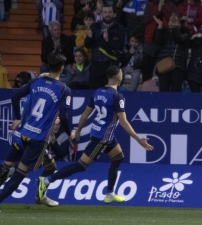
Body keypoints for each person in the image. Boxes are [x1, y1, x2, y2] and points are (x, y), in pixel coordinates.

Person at [38, 65, 154, 204]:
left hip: (103, 134)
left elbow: (86, 113)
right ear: (119, 76)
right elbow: (123, 121)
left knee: (118, 158)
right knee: (81, 165)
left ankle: (110, 193)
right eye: (121, 73)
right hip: (103, 138)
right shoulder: (117, 96)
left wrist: (79, 130)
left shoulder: (98, 92)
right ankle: (47, 180)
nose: (122, 75)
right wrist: (138, 139)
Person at [0, 52, 74, 211]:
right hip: (38, 139)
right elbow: (64, 117)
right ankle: (36, 196)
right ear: (62, 68)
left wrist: (18, 118)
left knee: (48, 166)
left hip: (23, 133)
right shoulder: (63, 90)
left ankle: (41, 196)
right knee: (20, 173)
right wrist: (69, 133)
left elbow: (15, 97)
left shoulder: (36, 82)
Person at [85, 3, 126, 89]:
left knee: (111, 94)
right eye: (105, 12)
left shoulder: (119, 28)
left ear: (113, 14)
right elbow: (87, 45)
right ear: (101, 13)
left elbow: (120, 47)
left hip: (111, 66)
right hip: (96, 66)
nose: (107, 14)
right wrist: (89, 37)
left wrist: (108, 40)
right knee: (94, 93)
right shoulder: (95, 26)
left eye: (109, 12)